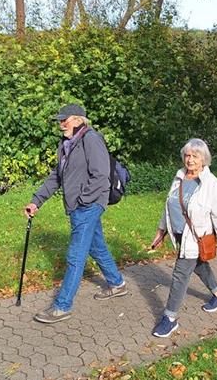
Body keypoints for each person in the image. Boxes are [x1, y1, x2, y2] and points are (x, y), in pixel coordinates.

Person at [24, 104, 127, 324]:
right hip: (77, 206)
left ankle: (62, 307)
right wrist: (36, 201)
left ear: (79, 120)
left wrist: (83, 200)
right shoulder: (65, 144)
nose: (61, 124)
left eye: (65, 120)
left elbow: (101, 176)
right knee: (96, 247)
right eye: (59, 120)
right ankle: (117, 283)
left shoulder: (91, 139)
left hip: (88, 206)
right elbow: (56, 177)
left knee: (75, 256)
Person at [150, 139, 217, 337]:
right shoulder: (179, 176)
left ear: (204, 159)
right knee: (199, 264)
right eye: (187, 155)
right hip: (179, 234)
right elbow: (169, 206)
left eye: (195, 156)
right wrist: (161, 231)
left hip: (197, 236)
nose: (190, 160)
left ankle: (170, 318)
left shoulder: (211, 183)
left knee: (180, 274)